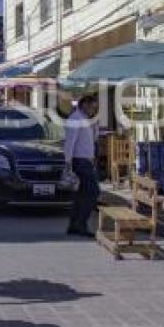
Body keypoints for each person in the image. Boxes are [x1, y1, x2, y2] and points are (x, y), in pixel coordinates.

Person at [64, 94, 100, 237]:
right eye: (93, 107)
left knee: (81, 195)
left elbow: (93, 139)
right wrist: (68, 162)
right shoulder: (75, 119)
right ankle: (81, 224)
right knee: (92, 192)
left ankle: (74, 224)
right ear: (85, 104)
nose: (94, 110)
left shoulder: (84, 119)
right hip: (80, 161)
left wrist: (95, 125)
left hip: (86, 161)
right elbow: (70, 142)